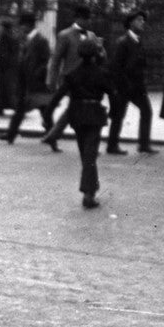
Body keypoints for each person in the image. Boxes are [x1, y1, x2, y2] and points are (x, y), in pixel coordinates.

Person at [49, 37, 115, 209]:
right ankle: (88, 193)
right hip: (94, 115)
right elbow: (113, 94)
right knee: (90, 155)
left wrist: (49, 111)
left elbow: (59, 94)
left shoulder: (72, 74)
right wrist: (114, 113)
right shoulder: (101, 73)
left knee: (85, 154)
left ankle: (90, 190)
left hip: (77, 116)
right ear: (95, 55)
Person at [41, 4, 101, 152]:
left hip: (86, 81)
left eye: (89, 19)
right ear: (78, 19)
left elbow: (99, 57)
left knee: (73, 108)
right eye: (85, 19)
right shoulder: (65, 35)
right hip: (70, 79)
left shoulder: (92, 36)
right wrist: (51, 80)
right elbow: (56, 60)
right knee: (73, 109)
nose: (88, 22)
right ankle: (54, 134)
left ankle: (52, 135)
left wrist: (100, 50)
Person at [106, 9, 157, 155]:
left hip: (136, 86)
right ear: (130, 23)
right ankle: (112, 145)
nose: (143, 23)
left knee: (146, 111)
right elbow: (116, 67)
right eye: (139, 20)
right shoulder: (123, 42)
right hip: (124, 86)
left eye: (143, 20)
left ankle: (144, 144)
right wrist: (122, 85)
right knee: (119, 115)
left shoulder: (138, 40)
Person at [0, 11, 53, 144]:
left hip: (35, 82)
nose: (21, 28)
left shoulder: (41, 40)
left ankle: (52, 135)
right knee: (20, 109)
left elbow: (46, 59)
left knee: (44, 110)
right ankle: (10, 135)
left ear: (28, 25)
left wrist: (37, 74)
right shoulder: (27, 38)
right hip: (24, 80)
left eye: (22, 25)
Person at [0, 19, 20, 116]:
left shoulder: (4, 36)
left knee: (5, 88)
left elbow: (2, 53)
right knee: (8, 87)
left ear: (4, 27)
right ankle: (4, 107)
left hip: (5, 66)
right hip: (13, 65)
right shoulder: (14, 36)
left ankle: (12, 107)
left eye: (1, 26)